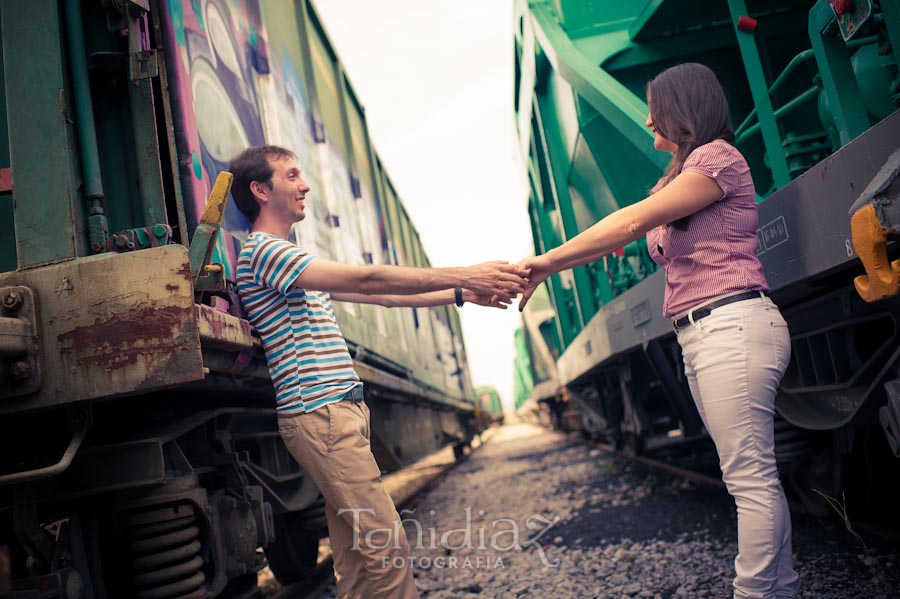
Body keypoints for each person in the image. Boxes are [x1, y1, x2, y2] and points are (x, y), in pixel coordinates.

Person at [518, 63, 798, 599]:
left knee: (749, 480)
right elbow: (624, 231)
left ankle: (755, 593)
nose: (647, 117)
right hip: (704, 334)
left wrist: (545, 263)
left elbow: (628, 222)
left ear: (685, 108)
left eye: (657, 106)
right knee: (751, 476)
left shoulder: (717, 158)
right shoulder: (675, 177)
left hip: (731, 325)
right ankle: (780, 589)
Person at [228, 145, 526, 599]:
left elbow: (382, 297)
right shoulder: (267, 252)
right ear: (260, 190)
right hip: (321, 414)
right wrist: (468, 272)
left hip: (334, 413)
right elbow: (370, 280)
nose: (305, 184)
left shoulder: (285, 256)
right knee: (387, 548)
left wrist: (462, 292)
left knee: (356, 562)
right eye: (291, 175)